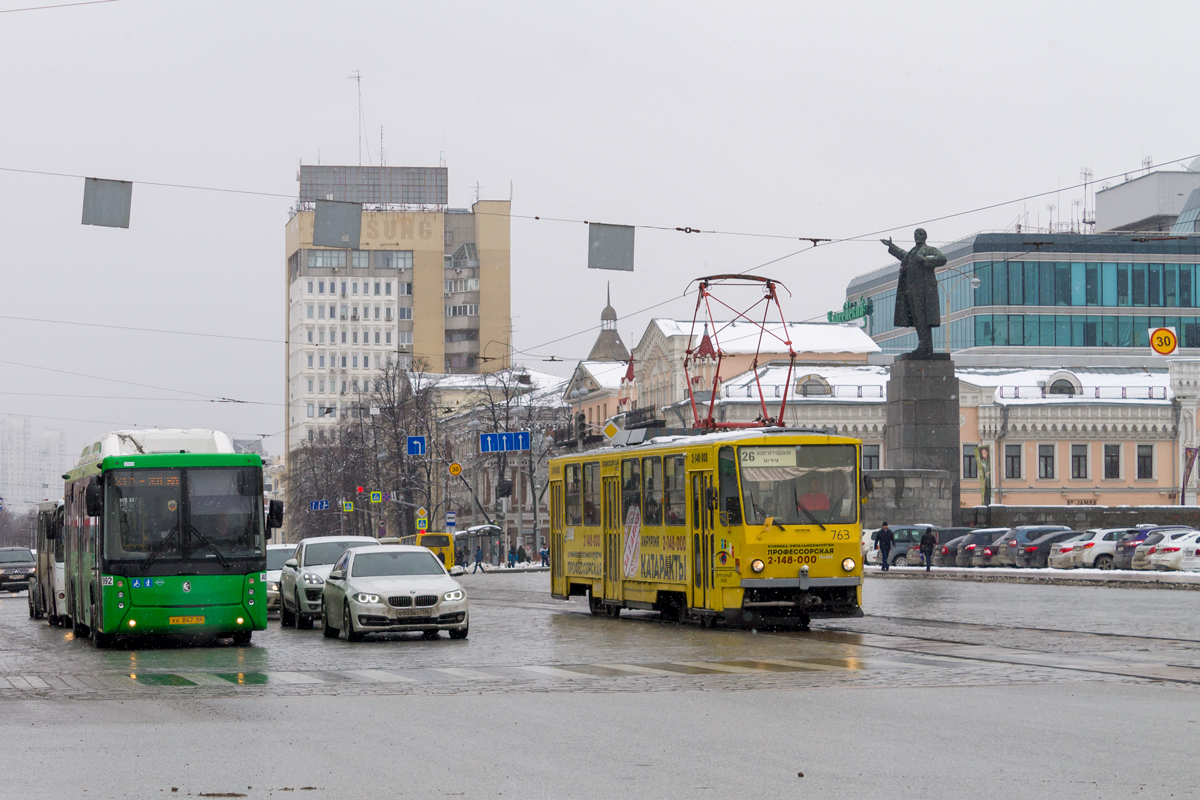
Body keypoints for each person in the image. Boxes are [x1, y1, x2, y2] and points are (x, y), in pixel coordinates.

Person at [879, 228, 948, 359]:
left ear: (925, 236)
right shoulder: (911, 252)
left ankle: (926, 346)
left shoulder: (929, 250)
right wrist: (891, 246)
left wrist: (925, 260)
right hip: (911, 290)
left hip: (924, 290)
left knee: (923, 318)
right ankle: (923, 344)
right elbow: (902, 254)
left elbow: (942, 259)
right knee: (917, 318)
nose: (917, 236)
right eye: (915, 234)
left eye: (920, 234)